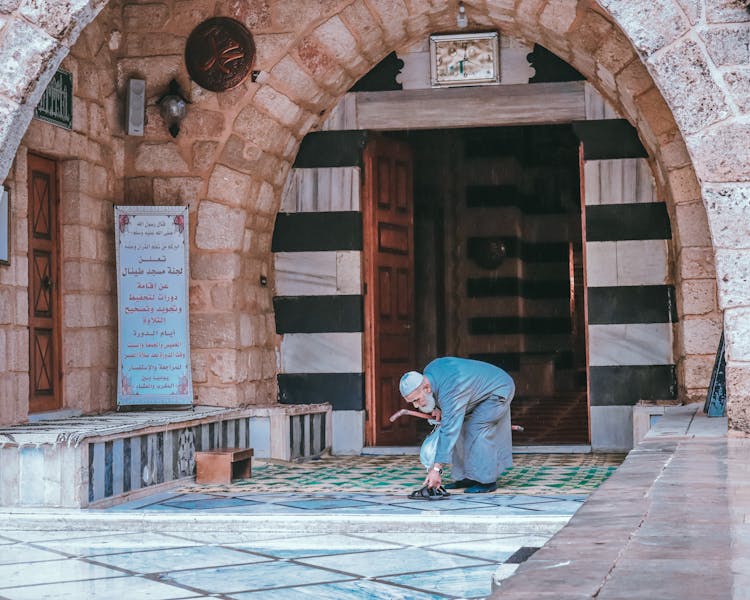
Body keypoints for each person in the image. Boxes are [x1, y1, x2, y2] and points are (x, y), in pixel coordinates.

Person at [399, 356, 515, 494]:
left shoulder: (452, 389)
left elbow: (449, 430)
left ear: (427, 388)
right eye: (412, 402)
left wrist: (436, 469)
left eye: (417, 400)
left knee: (476, 428)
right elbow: (440, 394)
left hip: (498, 389)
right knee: (460, 427)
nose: (416, 405)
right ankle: (467, 477)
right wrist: (437, 407)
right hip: (474, 389)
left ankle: (487, 481)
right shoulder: (428, 373)